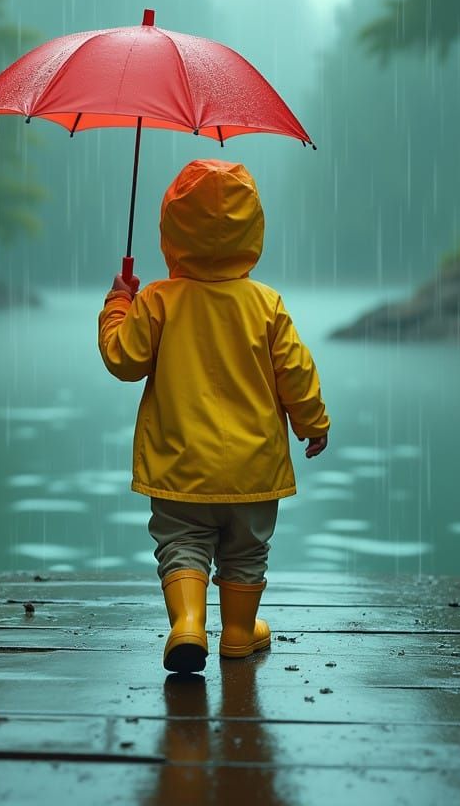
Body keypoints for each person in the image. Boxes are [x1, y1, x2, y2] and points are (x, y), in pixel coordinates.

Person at [98, 158, 330, 673]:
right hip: (254, 467)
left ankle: (186, 626)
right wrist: (313, 423)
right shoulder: (265, 304)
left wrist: (119, 303)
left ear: (171, 230)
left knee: (182, 546)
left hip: (180, 464)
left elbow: (122, 359)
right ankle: (240, 634)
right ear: (253, 229)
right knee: (247, 552)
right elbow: (296, 369)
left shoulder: (158, 300)